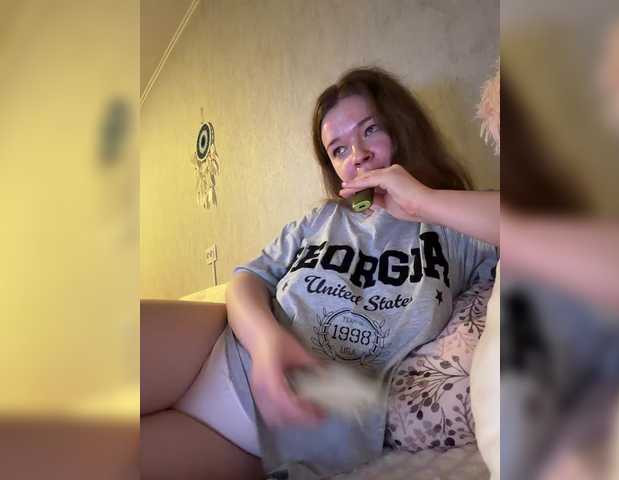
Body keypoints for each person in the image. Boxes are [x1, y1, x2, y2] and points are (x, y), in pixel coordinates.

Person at [141, 66, 499, 480]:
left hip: (277, 429)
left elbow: (541, 227)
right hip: (217, 345)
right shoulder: (321, 220)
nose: (357, 155)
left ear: (402, 130)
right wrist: (266, 341)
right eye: (339, 150)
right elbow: (247, 279)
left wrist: (424, 201)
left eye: (370, 130)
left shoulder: (455, 228)